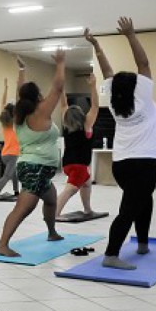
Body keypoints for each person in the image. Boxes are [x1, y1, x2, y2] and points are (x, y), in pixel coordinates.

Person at [88, 18, 156, 270]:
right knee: (129, 208)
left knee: (142, 200)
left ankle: (142, 243)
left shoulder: (118, 105)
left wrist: (97, 46)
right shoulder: (144, 99)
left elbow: (108, 73)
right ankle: (111, 254)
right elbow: (144, 63)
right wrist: (130, 34)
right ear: (136, 88)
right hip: (143, 163)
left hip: (122, 164)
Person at [0, 49, 66, 257]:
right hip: (35, 167)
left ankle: (52, 232)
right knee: (23, 208)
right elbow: (58, 87)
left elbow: (20, 91)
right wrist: (60, 63)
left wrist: (22, 69)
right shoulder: (40, 112)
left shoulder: (21, 112)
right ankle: (2, 245)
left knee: (51, 199)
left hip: (37, 168)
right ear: (38, 97)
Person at [55, 72, 99, 218]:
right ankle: (54, 214)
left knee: (86, 183)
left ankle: (87, 209)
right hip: (79, 165)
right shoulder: (86, 125)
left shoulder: (67, 125)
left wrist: (61, 90)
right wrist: (93, 86)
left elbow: (63, 104)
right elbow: (95, 107)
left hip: (67, 164)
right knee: (69, 190)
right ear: (82, 115)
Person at [0, 76, 20, 200]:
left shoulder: (4, 122)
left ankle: (16, 191)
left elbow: (2, 104)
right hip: (13, 154)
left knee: (14, 174)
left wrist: (6, 88)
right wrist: (18, 86)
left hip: (4, 154)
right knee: (7, 175)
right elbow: (18, 103)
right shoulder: (15, 123)